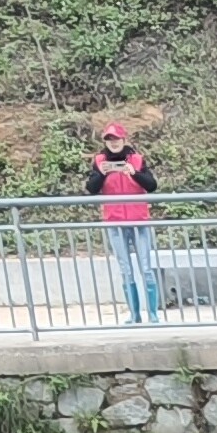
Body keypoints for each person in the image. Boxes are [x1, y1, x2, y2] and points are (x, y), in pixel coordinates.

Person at [84, 120, 160, 322]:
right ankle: (134, 315)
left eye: (116, 138)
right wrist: (102, 174)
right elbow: (91, 188)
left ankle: (153, 314)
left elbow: (152, 185)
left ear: (124, 139)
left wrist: (133, 173)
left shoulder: (137, 159)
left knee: (146, 268)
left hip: (139, 220)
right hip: (115, 221)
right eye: (109, 139)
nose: (113, 142)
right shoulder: (100, 161)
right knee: (125, 269)